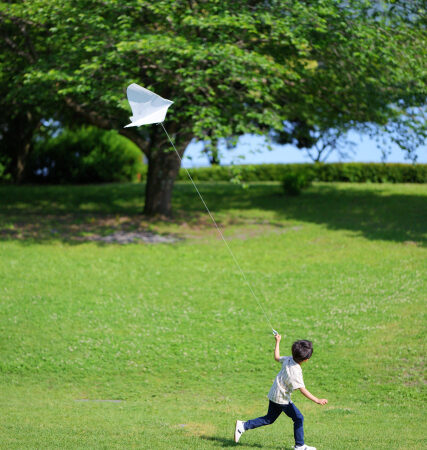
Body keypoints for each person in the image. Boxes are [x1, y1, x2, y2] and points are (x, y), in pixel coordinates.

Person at [234, 333, 328, 450]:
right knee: (298, 418)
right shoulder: (296, 371)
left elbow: (277, 357)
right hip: (281, 398)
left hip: (275, 393)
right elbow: (302, 389)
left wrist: (277, 341)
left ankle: (243, 426)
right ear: (306, 359)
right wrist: (317, 400)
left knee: (269, 419)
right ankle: (299, 446)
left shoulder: (289, 359)